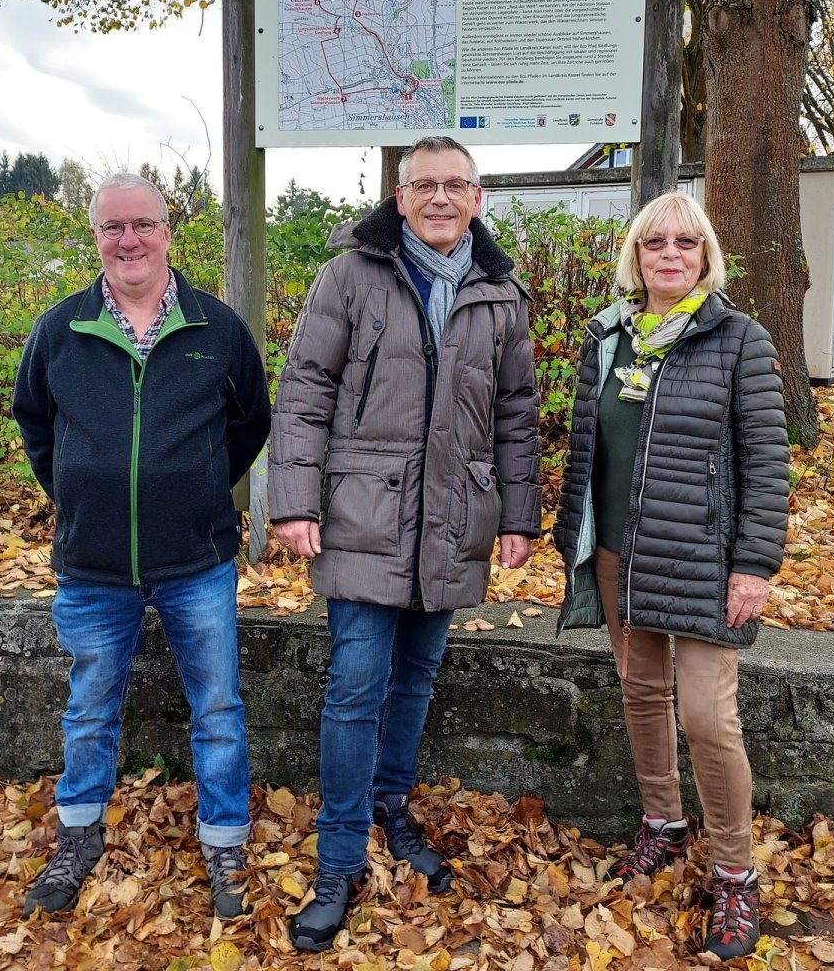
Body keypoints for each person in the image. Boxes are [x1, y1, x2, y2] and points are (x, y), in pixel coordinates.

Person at [270, 136, 541, 952]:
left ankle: (390, 804)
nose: (439, 198)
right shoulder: (350, 276)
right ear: (399, 198)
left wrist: (521, 517)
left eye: (455, 185)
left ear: (478, 198)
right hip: (362, 513)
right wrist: (293, 501)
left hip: (455, 519)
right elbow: (305, 391)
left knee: (416, 681)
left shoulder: (500, 293)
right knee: (356, 688)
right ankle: (341, 859)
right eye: (424, 185)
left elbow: (516, 413)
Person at [12, 173, 271, 921]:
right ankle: (79, 833)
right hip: (92, 565)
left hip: (197, 559)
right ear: (94, 237)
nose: (129, 241)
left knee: (218, 706)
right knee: (90, 707)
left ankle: (224, 839)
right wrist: (75, 491)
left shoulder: (216, 329)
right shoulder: (60, 329)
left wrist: (195, 489)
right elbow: (33, 420)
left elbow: (251, 421)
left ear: (168, 231)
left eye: (144, 225)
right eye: (112, 228)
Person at [551, 191, 789, 961]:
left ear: (706, 255)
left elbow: (765, 463)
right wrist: (573, 539)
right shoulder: (608, 337)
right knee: (639, 692)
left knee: (708, 719)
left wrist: (753, 564)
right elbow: (589, 447)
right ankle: (662, 821)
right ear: (636, 255)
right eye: (655, 243)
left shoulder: (738, 339)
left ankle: (733, 873)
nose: (670, 255)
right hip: (620, 552)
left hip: (702, 557)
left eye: (686, 244)